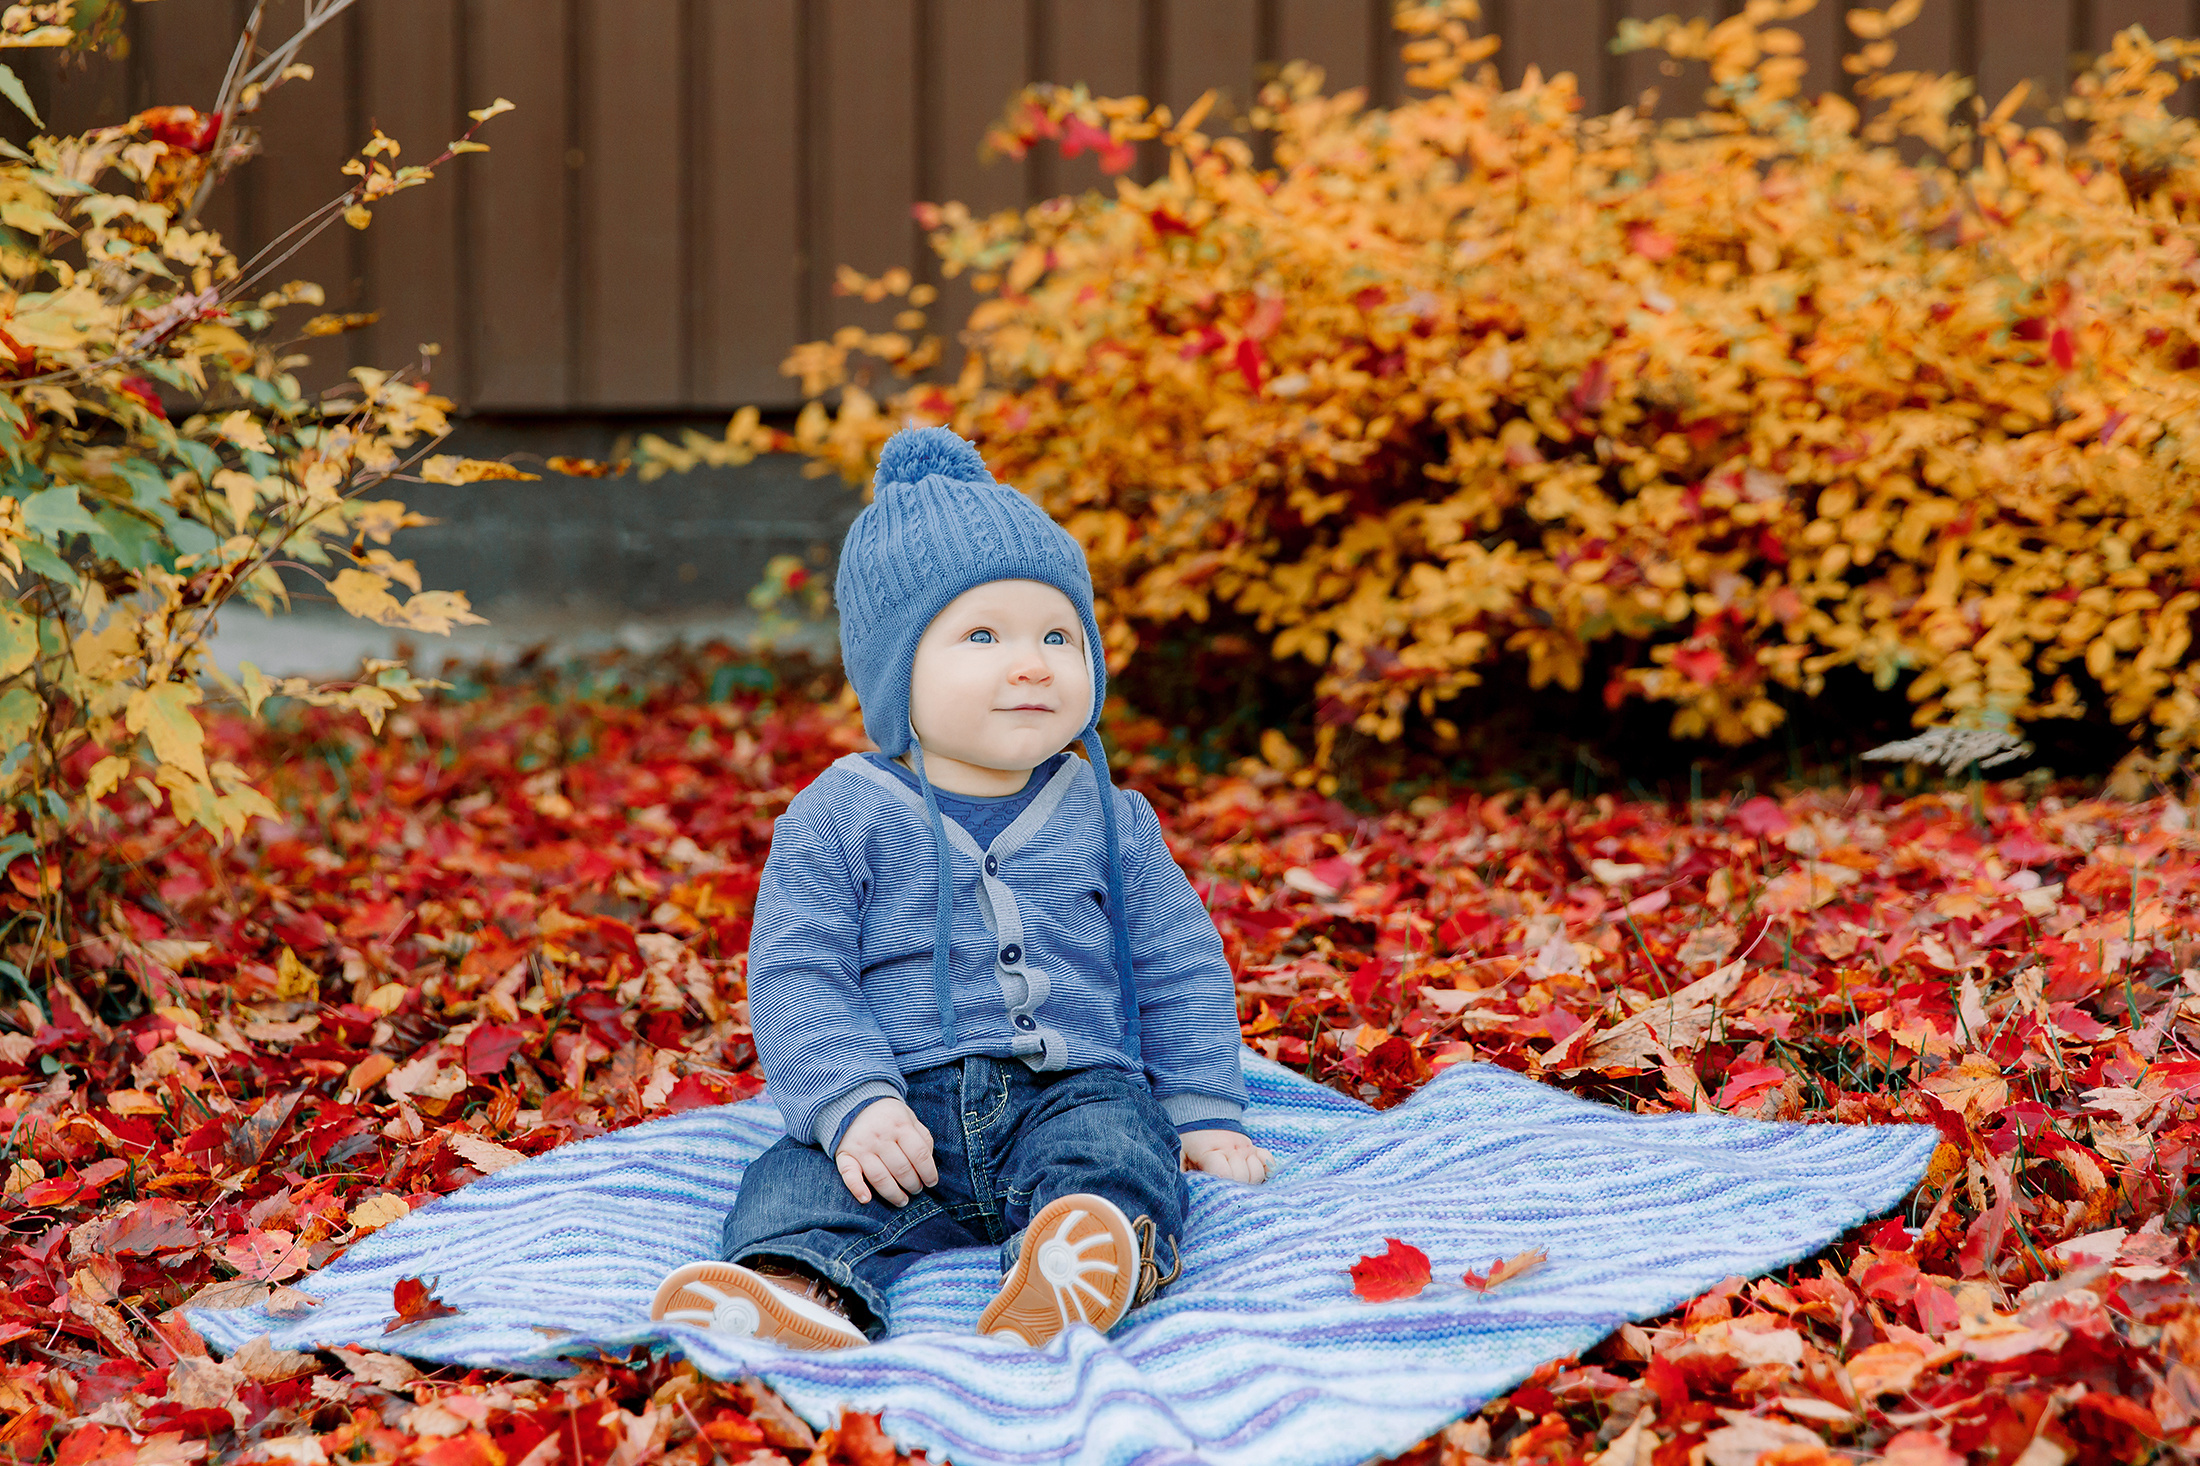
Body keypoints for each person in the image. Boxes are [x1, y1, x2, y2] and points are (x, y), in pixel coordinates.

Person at [648, 425, 1273, 1351]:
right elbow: (798, 972)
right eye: (983, 634)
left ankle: (1080, 1255)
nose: (1032, 662)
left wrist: (1203, 1111)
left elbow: (1178, 968)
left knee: (1119, 1150)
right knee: (797, 1182)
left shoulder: (1111, 817)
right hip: (906, 1109)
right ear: (898, 671)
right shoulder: (839, 814)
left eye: (1059, 634)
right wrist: (853, 1100)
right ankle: (797, 1288)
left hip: (1073, 1087)